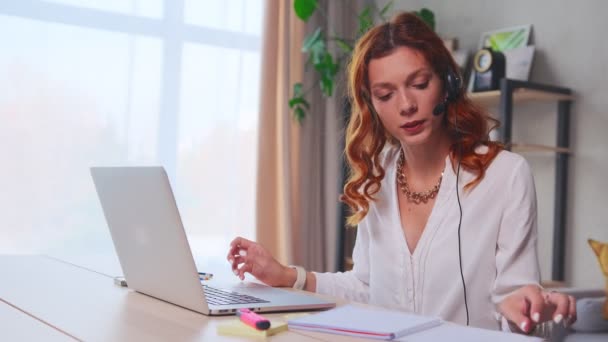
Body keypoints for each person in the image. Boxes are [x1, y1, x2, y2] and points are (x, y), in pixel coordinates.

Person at [226, 12, 576, 333]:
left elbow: (515, 297)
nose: (406, 105)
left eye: (419, 84)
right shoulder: (376, 176)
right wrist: (288, 276)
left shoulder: (506, 175)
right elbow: (366, 286)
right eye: (385, 94)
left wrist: (528, 307)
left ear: (447, 82)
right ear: (372, 104)